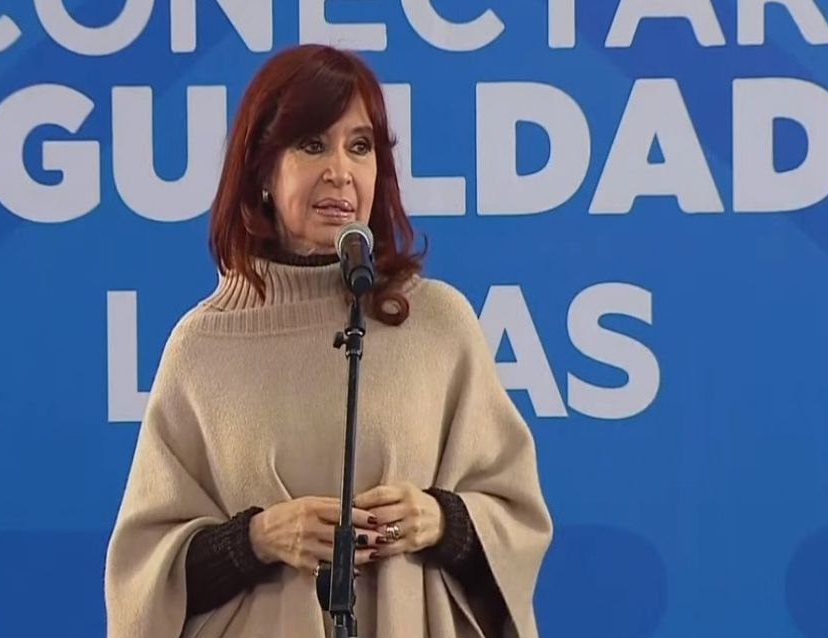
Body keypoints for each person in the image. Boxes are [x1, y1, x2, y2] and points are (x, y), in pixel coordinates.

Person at [104, 44, 552, 638]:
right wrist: (256, 539)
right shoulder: (203, 345)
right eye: (312, 145)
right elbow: (143, 576)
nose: (340, 170)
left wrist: (442, 520)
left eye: (360, 147)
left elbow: (515, 519)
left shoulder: (437, 324)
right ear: (263, 172)